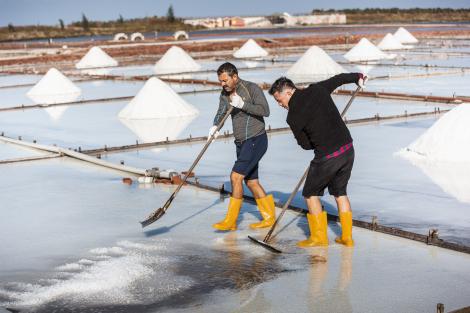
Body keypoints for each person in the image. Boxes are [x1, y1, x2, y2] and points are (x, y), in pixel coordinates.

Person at [268, 73, 367, 247]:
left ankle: (318, 238)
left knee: (310, 194)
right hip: (347, 149)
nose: (279, 104)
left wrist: (316, 136)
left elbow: (305, 145)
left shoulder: (292, 117)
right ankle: (347, 237)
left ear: (289, 92)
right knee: (340, 193)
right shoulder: (318, 89)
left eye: (279, 99)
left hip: (327, 156)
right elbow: (338, 80)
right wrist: (357, 77)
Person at [210, 62, 274, 231]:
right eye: (220, 81)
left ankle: (231, 221)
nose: (222, 84)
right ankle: (269, 217)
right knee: (251, 182)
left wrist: (242, 104)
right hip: (241, 142)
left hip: (255, 139)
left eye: (225, 80)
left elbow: (265, 110)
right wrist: (215, 126)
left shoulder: (251, 89)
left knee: (235, 177)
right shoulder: (224, 94)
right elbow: (221, 112)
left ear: (235, 77)